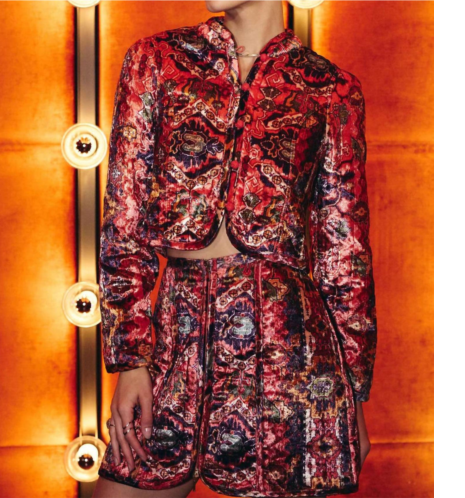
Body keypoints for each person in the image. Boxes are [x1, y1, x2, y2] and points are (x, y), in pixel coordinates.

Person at [93, 1, 377, 497]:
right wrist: (131, 360)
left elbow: (345, 256)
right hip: (174, 341)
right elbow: (123, 220)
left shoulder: (331, 90)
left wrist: (352, 395)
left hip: (291, 359)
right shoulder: (156, 60)